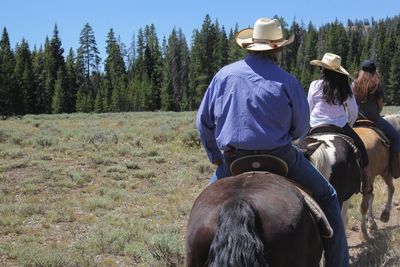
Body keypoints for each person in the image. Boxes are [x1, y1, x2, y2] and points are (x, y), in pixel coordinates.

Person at [196, 18, 349, 267]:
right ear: (277, 49)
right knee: (329, 196)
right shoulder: (287, 81)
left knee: (202, 205)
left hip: (234, 159)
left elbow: (204, 122)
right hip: (281, 157)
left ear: (249, 45)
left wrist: (215, 155)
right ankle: (338, 263)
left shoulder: (223, 76)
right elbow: (301, 128)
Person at [308, 53, 372, 193]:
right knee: (361, 148)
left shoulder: (314, 85)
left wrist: (312, 120)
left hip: (315, 125)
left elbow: (309, 106)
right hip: (339, 125)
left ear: (323, 70)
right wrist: (347, 123)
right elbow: (354, 111)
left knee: (298, 148)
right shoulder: (345, 86)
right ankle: (366, 182)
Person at [353, 59, 400, 178]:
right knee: (396, 137)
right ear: (374, 72)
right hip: (374, 120)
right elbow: (380, 106)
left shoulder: (354, 85)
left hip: (356, 120)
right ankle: (394, 168)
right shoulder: (376, 85)